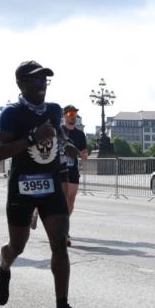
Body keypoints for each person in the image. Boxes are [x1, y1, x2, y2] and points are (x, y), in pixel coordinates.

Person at [0, 60, 89, 308]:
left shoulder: (55, 109)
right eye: (35, 81)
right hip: (21, 188)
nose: (41, 86)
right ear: (21, 84)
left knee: (59, 243)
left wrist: (68, 145)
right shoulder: (12, 113)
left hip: (50, 185)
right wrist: (33, 136)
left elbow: (57, 135)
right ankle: (5, 264)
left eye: (44, 80)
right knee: (18, 246)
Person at [59, 105, 89, 246]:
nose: (73, 116)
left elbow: (84, 152)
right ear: (64, 115)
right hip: (59, 169)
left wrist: (84, 155)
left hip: (73, 170)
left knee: (71, 201)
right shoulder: (58, 131)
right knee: (62, 200)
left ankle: (64, 224)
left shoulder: (80, 134)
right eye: (70, 113)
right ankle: (63, 230)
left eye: (75, 114)